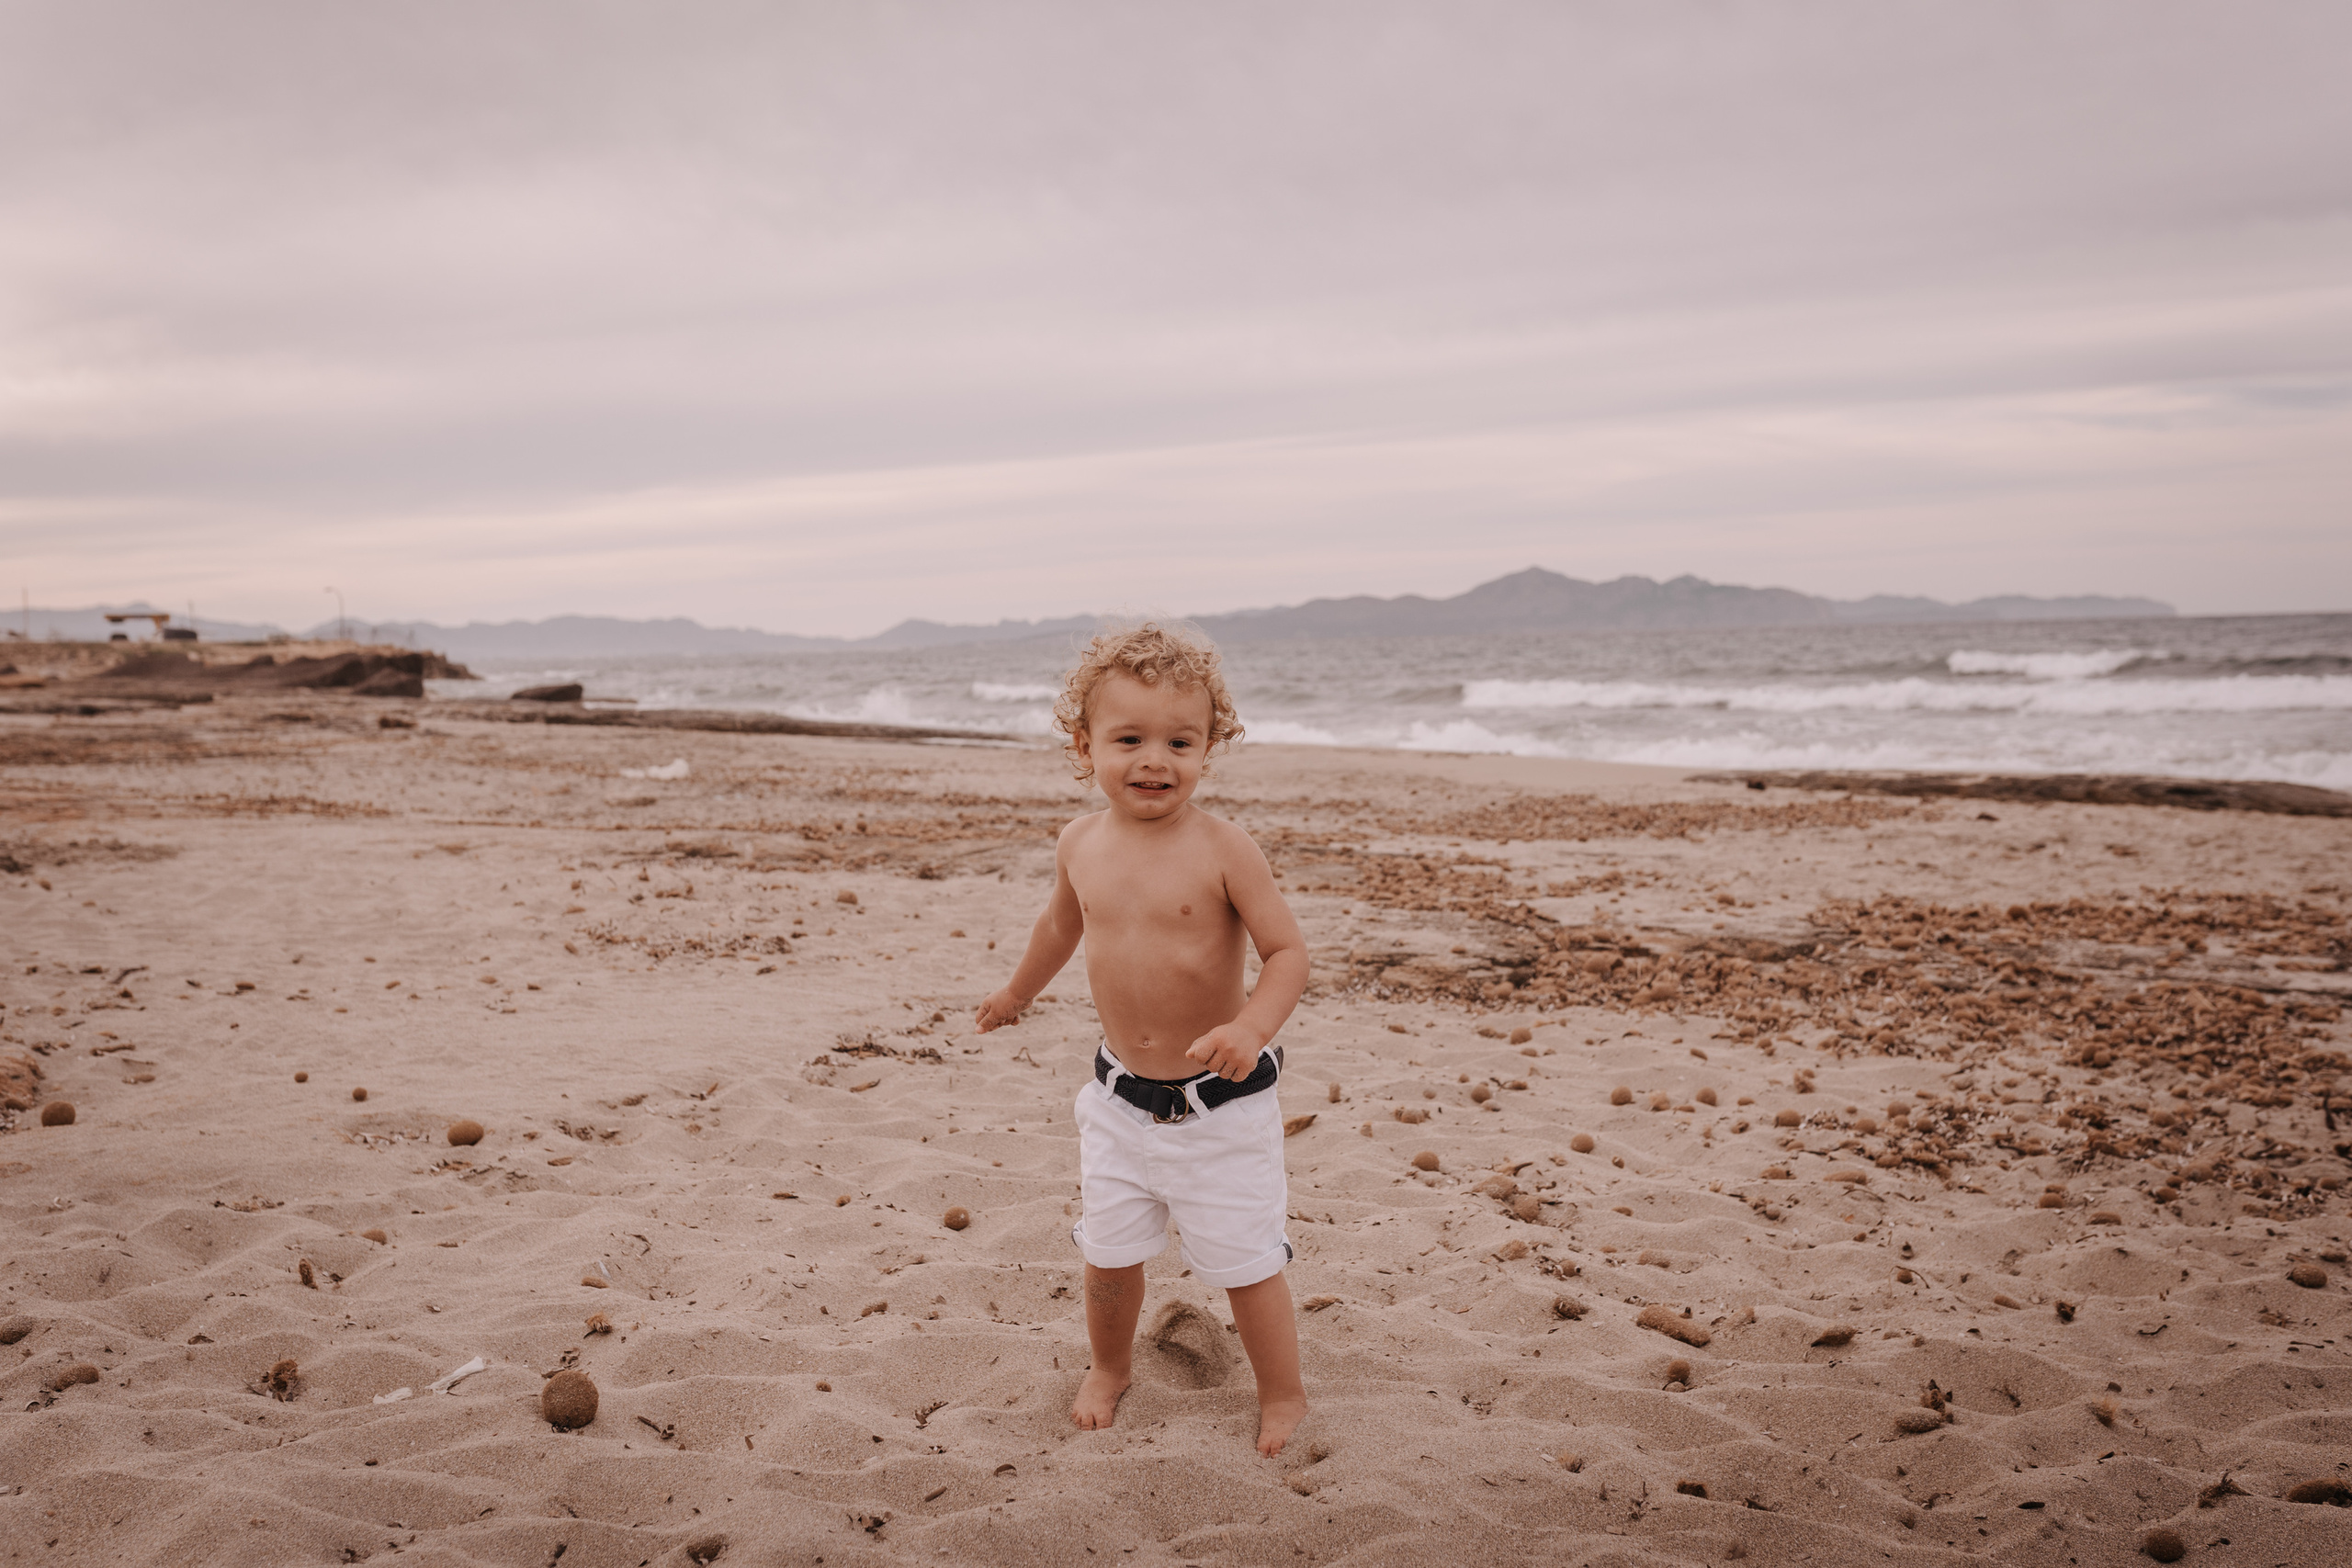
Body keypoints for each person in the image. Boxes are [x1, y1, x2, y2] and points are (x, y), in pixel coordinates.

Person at [975, 623, 1311, 1456]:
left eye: (1179, 741)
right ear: (1085, 746)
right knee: (1110, 1256)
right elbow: (1060, 926)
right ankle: (1110, 1366)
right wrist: (1018, 990)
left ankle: (1283, 1393)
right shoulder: (1079, 842)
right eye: (1129, 739)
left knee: (1246, 1264)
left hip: (1221, 1107)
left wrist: (1249, 1025)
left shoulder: (1223, 848)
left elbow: (1288, 953)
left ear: (1209, 748)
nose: (1154, 759)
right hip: (1119, 1101)